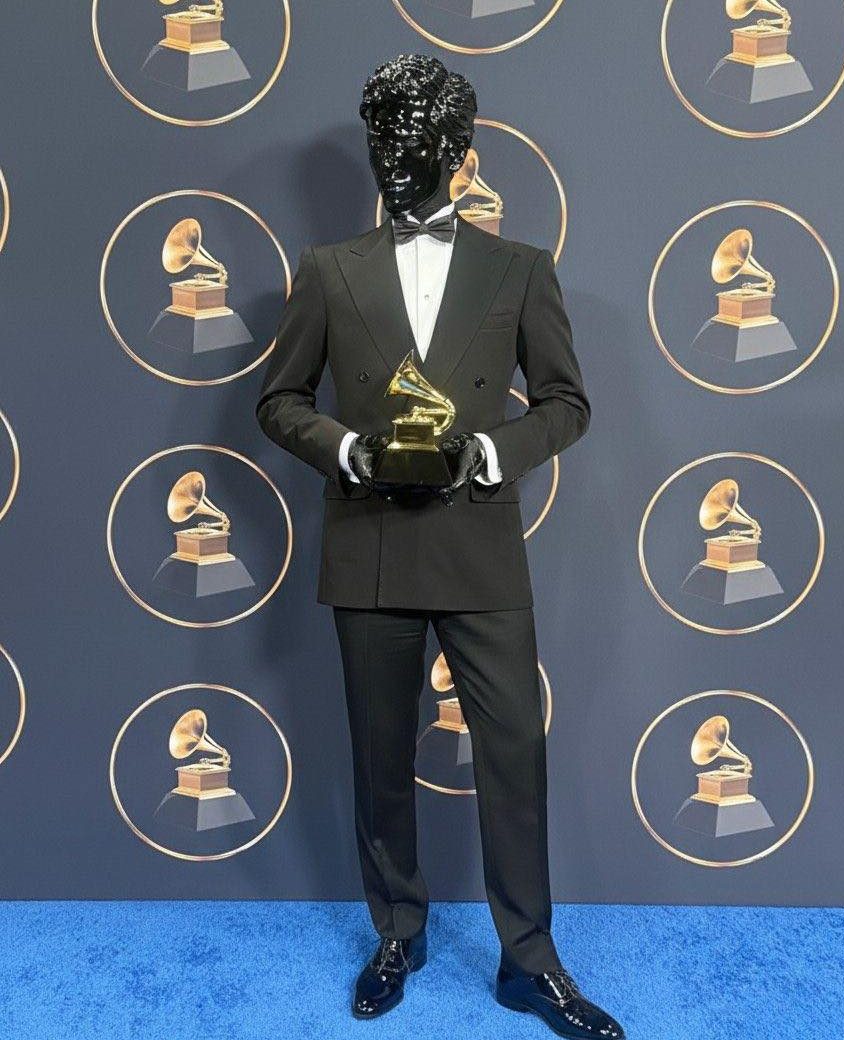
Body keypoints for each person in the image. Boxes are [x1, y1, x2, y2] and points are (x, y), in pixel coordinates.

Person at [256, 53, 624, 1040]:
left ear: (460, 153)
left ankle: (529, 960)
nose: (393, 154)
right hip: (368, 544)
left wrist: (490, 455)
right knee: (379, 758)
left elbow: (566, 403)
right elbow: (279, 401)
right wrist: (347, 448)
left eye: (412, 137)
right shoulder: (328, 269)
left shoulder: (521, 268)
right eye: (381, 136)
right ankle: (397, 934)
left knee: (515, 752)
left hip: (479, 546)